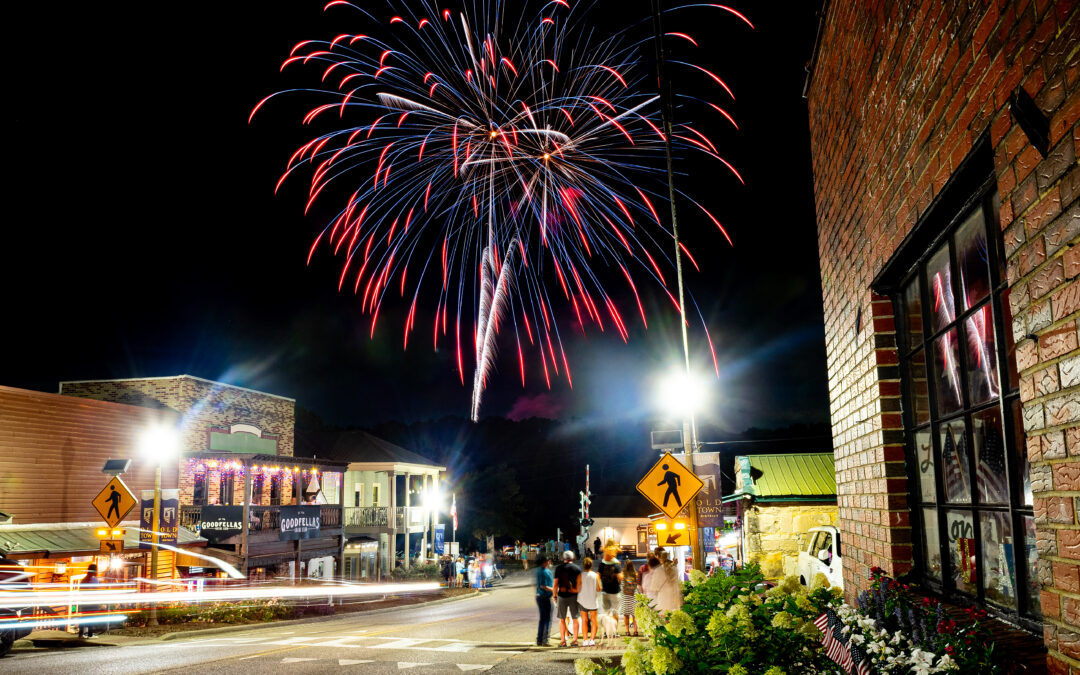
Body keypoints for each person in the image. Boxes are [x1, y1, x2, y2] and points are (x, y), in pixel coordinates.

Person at [552, 550, 582, 647]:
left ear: (563, 558)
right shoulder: (577, 569)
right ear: (573, 558)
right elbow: (580, 585)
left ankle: (563, 641)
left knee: (562, 619)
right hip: (574, 596)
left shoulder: (559, 568)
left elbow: (555, 584)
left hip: (562, 596)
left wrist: (554, 596)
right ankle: (575, 640)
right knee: (575, 618)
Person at [576, 557, 601, 646]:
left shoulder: (580, 575)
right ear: (591, 565)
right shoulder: (596, 575)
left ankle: (585, 640)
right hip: (593, 600)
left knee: (584, 620)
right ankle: (592, 640)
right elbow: (599, 589)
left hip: (583, 600)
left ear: (583, 565)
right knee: (594, 620)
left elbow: (578, 589)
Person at [534, 556, 554, 646]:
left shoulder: (539, 571)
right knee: (547, 619)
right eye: (547, 561)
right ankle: (545, 639)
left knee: (542, 619)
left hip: (539, 596)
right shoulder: (545, 572)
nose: (549, 562)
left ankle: (539, 639)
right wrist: (554, 590)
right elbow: (543, 586)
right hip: (544, 597)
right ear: (544, 562)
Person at [597, 544, 622, 618]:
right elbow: (620, 578)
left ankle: (606, 629)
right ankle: (614, 629)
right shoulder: (616, 565)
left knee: (606, 612)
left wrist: (600, 585)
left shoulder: (601, 565)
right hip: (615, 591)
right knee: (615, 612)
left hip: (605, 591)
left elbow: (598, 576)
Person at [78, 564, 100, 638]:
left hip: (84, 601)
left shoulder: (84, 579)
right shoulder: (94, 580)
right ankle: (90, 634)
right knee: (91, 618)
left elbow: (81, 590)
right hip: (92, 601)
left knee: (84, 617)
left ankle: (81, 633)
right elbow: (96, 591)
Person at [620, 560, 639, 637]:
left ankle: (627, 631)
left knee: (626, 615)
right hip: (633, 596)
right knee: (634, 615)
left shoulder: (622, 575)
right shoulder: (635, 575)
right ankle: (635, 631)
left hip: (625, 597)